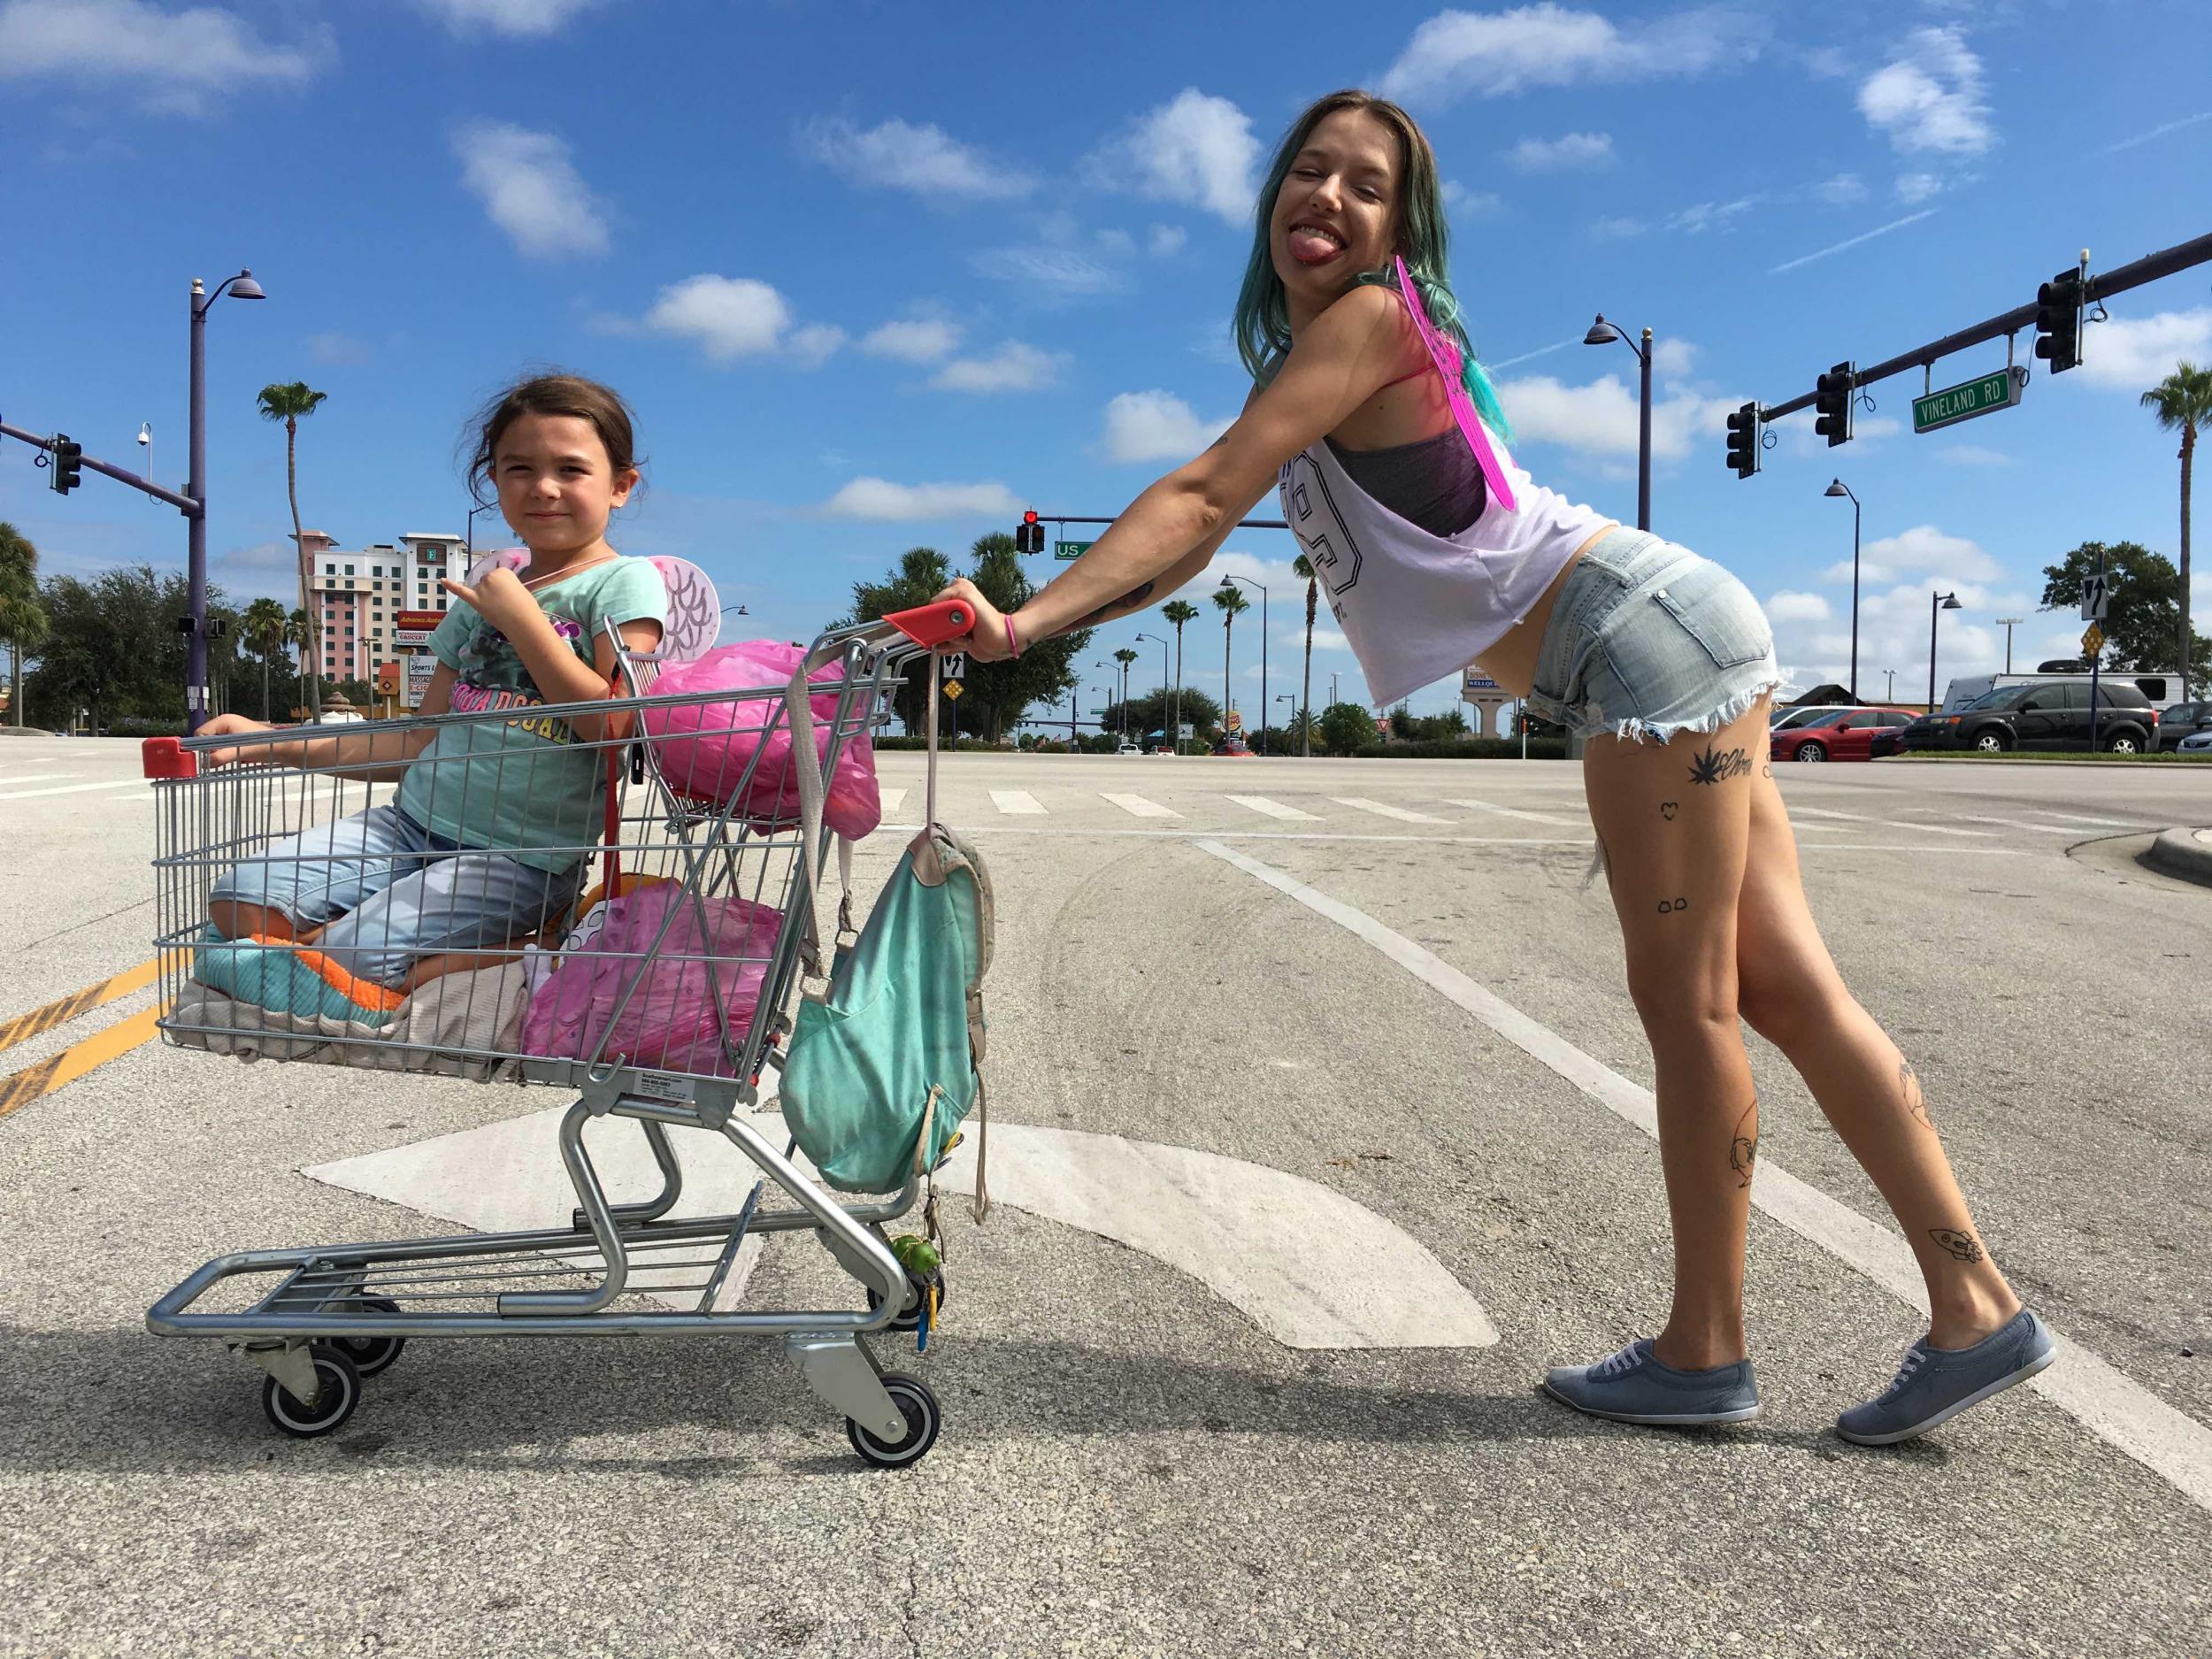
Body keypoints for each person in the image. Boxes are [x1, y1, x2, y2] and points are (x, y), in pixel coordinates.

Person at [933, 89, 2052, 1445]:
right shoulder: (1315, 360)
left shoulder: (1374, 316)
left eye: (1366, 186)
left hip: (1639, 645)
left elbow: (1205, 489)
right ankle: (1972, 1302)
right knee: (1785, 989)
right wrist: (1035, 628)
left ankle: (1710, 1349)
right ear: (1269, 196)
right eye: (1310, 171)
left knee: (1691, 1002)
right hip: (1664, 636)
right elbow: (1193, 531)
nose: (1330, 199)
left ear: (1403, 227)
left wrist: (1026, 618)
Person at [192, 373, 668, 1026]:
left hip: (521, 858)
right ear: (494, 481)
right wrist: (266, 737)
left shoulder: (624, 583)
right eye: (519, 468)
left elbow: (615, 727)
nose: (544, 487)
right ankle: (331, 953)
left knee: (358, 954)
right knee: (238, 901)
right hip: (412, 826)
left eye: (571, 469)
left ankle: (527, 938)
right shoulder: (483, 597)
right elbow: (418, 739)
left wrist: (525, 621)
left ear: (620, 485)